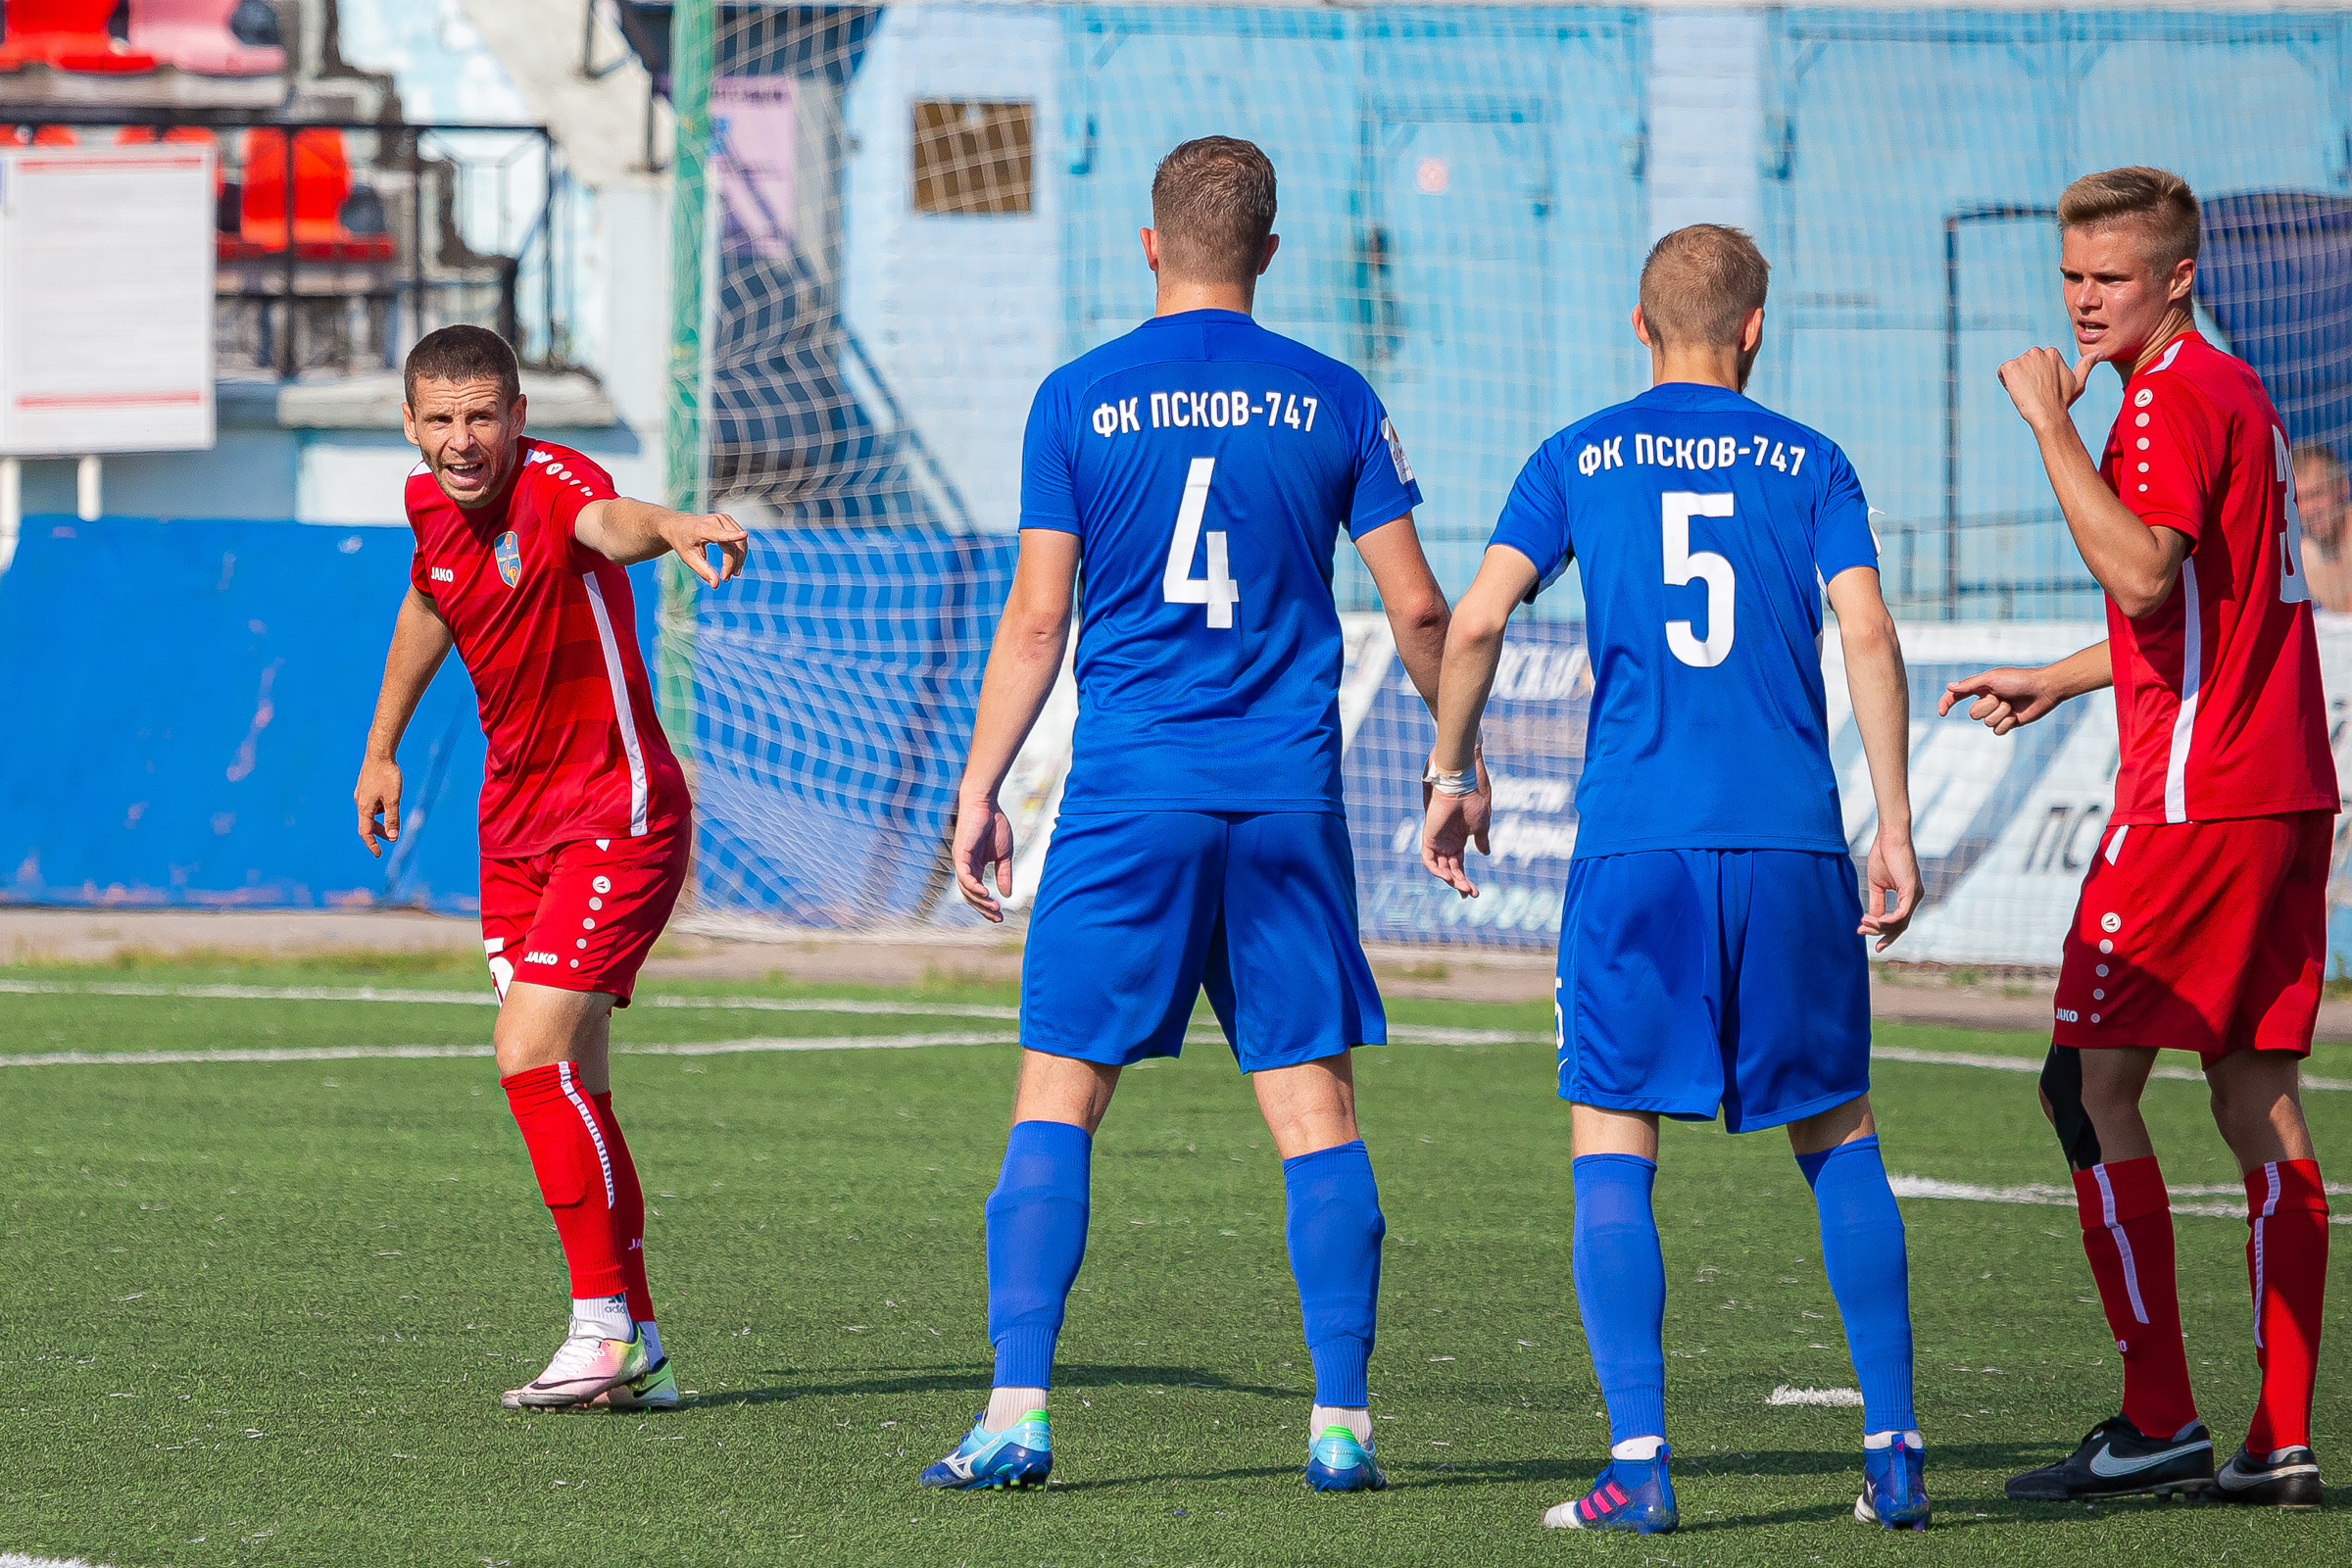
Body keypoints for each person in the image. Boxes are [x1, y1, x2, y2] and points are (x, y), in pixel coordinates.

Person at [920, 136, 1474, 1494]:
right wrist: (1456, 762)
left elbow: (1038, 619)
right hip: (1286, 799)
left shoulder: (1076, 398)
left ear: (1151, 244)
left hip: (1130, 801)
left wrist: (981, 787)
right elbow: (1418, 609)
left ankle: (1018, 1411)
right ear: (1269, 253)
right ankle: (1340, 1424)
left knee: (1059, 1096)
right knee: (1315, 1109)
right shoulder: (1337, 396)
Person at [1421, 225, 1928, 1535]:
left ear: (1639, 327)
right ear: (1755, 328)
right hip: (1792, 842)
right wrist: (1894, 826)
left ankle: (1641, 1463)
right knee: (1841, 1132)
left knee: (1612, 1135)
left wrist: (1453, 770)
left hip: (1636, 849)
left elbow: (1473, 620)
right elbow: (1867, 630)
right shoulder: (1812, 461)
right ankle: (1894, 1449)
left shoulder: (1574, 456)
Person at [1941, 167, 2335, 1509]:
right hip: (2283, 791)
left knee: (2085, 1088)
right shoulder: (2237, 388)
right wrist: (2065, 677)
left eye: (2110, 277)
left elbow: (2147, 572)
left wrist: (2051, 425)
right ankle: (2280, 1439)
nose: (2083, 300)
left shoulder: (2161, 399)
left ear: (2178, 278)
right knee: (2253, 1096)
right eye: (2071, 277)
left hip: (2194, 804)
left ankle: (2158, 1416)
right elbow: (2202, 609)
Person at [353, 324, 748, 1413]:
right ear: (410, 424)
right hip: (513, 832)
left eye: (483, 415)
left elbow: (609, 523)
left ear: (518, 416)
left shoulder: (554, 483)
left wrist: (673, 525)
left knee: (527, 1051)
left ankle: (601, 1325)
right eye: (441, 418)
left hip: (616, 814)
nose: (462, 439)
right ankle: (641, 1344)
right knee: (574, 1080)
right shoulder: (429, 507)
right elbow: (429, 602)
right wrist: (382, 748)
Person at [2292, 442, 2351, 612]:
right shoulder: (2297, 562)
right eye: (2300, 499)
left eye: (2317, 494)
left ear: (2342, 487)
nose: (2310, 509)